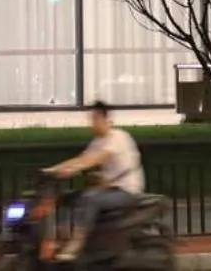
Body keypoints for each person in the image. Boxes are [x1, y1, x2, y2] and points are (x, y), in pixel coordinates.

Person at [44, 101, 141, 262]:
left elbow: (95, 159)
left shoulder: (117, 137)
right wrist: (51, 170)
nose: (91, 123)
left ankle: (76, 243)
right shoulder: (98, 141)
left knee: (91, 199)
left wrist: (74, 169)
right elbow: (81, 158)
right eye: (91, 119)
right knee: (66, 198)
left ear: (105, 119)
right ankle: (62, 237)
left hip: (126, 191)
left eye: (95, 119)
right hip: (108, 189)